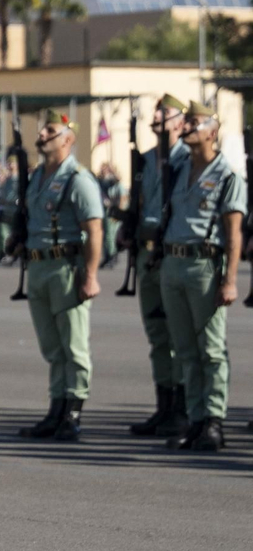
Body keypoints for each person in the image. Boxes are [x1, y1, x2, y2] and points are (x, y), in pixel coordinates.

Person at [158, 101, 244, 452]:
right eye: (187, 122)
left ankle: (213, 421)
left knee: (210, 349)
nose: (187, 127)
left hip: (206, 266)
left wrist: (230, 280)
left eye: (194, 122)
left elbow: (234, 233)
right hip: (173, 263)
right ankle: (194, 419)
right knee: (184, 349)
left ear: (212, 130)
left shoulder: (227, 176)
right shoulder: (177, 168)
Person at [16, 110, 102, 443]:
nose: (41, 135)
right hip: (38, 267)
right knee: (52, 346)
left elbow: (93, 230)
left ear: (67, 138)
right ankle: (56, 408)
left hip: (67, 268)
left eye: (49, 130)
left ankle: (73, 413)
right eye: (41, 130)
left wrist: (91, 275)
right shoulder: (37, 177)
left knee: (74, 346)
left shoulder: (78, 178)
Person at [126, 95, 190, 437]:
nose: (157, 117)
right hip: (146, 253)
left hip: (170, 254)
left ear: (181, 122)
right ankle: (163, 406)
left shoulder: (187, 160)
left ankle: (181, 407)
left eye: (165, 113)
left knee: (179, 336)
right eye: (157, 113)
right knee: (157, 335)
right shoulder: (147, 159)